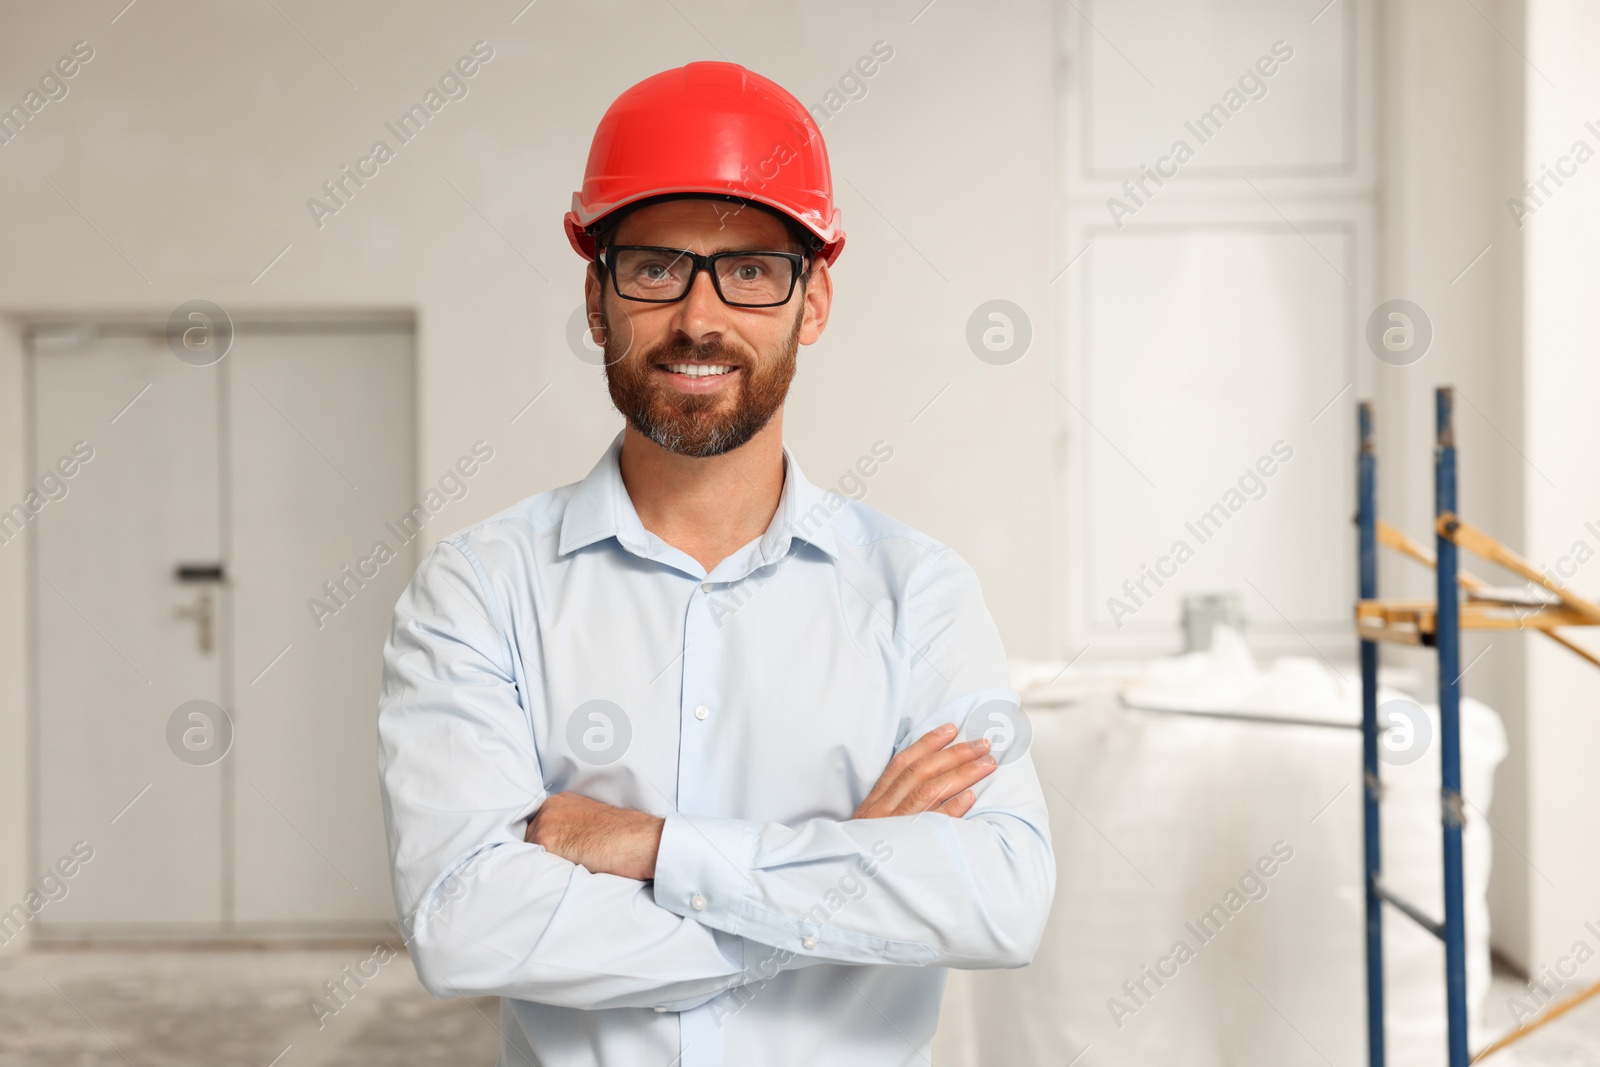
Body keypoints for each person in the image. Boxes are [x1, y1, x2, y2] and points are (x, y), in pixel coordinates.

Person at [377, 60, 1055, 1066]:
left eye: (749, 270)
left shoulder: (918, 591)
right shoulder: (480, 589)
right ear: (597, 298)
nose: (700, 317)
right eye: (655, 266)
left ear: (811, 300)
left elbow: (998, 898)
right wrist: (842, 872)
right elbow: (463, 922)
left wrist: (655, 847)